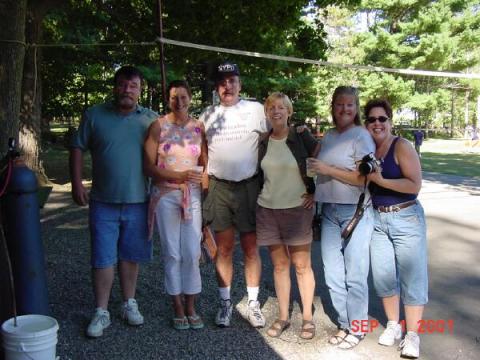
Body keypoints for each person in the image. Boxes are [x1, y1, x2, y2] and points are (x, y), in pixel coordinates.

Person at [70, 66, 158, 337]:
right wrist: (76, 183)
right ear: (114, 87)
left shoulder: (151, 120)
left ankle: (129, 303)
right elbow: (77, 147)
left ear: (140, 90)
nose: (127, 90)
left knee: (131, 256)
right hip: (102, 201)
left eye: (133, 86)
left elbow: (168, 154)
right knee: (102, 257)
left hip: (139, 201)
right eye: (122, 85)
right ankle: (101, 311)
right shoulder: (95, 115)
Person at [200, 62, 268, 328]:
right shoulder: (207, 115)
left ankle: (253, 304)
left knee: (251, 248)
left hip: (249, 186)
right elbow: (201, 153)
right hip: (219, 187)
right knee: (224, 249)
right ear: (217, 87)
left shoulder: (255, 110)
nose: (227, 86)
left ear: (240, 83)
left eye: (232, 80)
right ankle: (225, 303)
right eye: (222, 82)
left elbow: (272, 139)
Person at [308, 86, 375, 349]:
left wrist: (327, 168)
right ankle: (346, 324)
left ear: (356, 108)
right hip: (329, 211)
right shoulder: (330, 136)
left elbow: (363, 178)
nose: (344, 109)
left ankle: (357, 328)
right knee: (333, 273)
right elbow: (316, 166)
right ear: (333, 107)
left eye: (350, 105)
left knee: (355, 274)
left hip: (354, 211)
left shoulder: (361, 136)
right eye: (339, 104)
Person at [364, 99, 428, 359]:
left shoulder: (401, 146)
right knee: (383, 276)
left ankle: (412, 335)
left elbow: (414, 185)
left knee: (412, 277)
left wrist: (381, 180)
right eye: (371, 119)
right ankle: (393, 325)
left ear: (390, 122)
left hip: (405, 217)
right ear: (366, 124)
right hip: (377, 220)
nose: (377, 123)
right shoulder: (367, 149)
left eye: (382, 119)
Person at [144, 80, 207, 330]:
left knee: (192, 252)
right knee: (172, 252)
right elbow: (148, 166)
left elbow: (205, 161)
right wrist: (178, 176)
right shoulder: (157, 126)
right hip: (165, 195)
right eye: (173, 97)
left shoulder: (199, 127)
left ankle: (191, 304)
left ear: (190, 97)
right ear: (167, 99)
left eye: (183, 96)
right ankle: (177, 306)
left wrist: (204, 185)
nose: (178, 101)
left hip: (190, 195)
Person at [256, 93, 319, 339]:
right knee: (280, 265)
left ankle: (307, 318)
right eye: (271, 107)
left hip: (298, 209)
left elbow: (318, 161)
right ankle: (283, 317)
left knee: (302, 266)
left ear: (289, 112)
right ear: (267, 113)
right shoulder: (263, 140)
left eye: (281, 107)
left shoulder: (300, 136)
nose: (276, 111)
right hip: (268, 210)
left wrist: (316, 192)